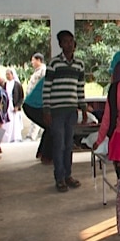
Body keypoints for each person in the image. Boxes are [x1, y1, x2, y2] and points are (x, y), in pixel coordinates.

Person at [43, 30, 87, 192]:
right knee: (59, 145)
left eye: (71, 41)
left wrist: (83, 108)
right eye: (65, 42)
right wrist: (46, 110)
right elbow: (46, 88)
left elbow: (80, 88)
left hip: (71, 111)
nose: (69, 44)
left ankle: (68, 175)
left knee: (69, 145)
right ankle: (59, 178)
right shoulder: (54, 64)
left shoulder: (79, 65)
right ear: (60, 44)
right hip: (56, 111)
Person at [23, 76, 52, 164]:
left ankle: (41, 152)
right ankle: (46, 156)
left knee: (49, 127)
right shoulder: (52, 78)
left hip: (33, 105)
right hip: (33, 106)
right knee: (51, 127)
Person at [25, 53, 46, 141]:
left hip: (38, 99)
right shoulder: (36, 71)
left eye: (33, 60)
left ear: (38, 60)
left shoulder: (43, 70)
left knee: (36, 118)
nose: (32, 62)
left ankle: (32, 136)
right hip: (32, 98)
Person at [3, 68, 24, 143]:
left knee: (15, 123)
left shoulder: (17, 84)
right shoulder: (5, 84)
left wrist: (17, 106)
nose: (7, 76)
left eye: (8, 74)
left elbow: (21, 97)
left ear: (12, 75)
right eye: (6, 74)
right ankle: (7, 138)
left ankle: (15, 138)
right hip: (7, 106)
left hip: (14, 106)